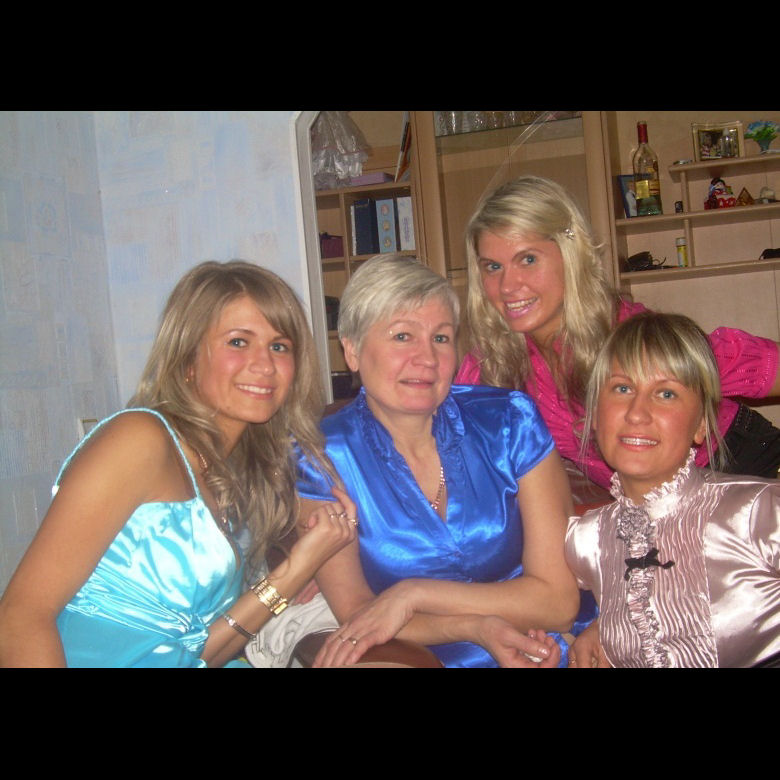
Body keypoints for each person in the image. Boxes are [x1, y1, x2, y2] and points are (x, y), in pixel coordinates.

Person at [0, 260, 356, 667]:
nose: (264, 364)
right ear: (188, 359)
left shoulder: (237, 474)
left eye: (279, 346)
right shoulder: (140, 440)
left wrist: (299, 567)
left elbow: (196, 654)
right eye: (238, 342)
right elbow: (21, 616)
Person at [296, 253, 591, 668]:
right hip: (420, 657)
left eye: (441, 337)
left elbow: (558, 602)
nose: (427, 358)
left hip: (551, 648)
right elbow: (360, 616)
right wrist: (475, 627)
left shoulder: (509, 421)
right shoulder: (321, 456)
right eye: (402, 336)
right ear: (352, 350)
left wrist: (412, 594)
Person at [455, 175, 780, 490]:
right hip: (651, 503)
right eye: (492, 267)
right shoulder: (489, 367)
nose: (507, 286)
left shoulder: (626, 332)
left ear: (570, 255)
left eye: (527, 259)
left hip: (742, 465)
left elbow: (760, 364)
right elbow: (448, 445)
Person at [566, 312, 780, 667]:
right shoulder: (584, 541)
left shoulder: (760, 512)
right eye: (622, 388)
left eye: (666, 393)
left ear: (701, 425)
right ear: (595, 413)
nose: (637, 413)